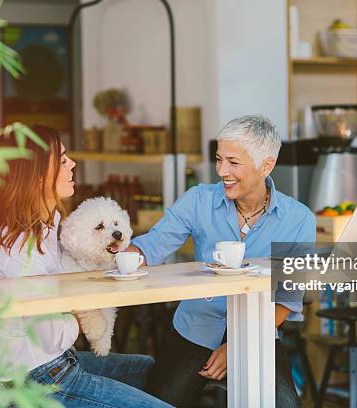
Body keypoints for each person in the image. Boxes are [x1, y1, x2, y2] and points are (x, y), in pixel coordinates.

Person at [0, 125, 171, 408]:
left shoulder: (44, 224)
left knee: (147, 368)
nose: (73, 164)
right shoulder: (22, 246)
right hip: (36, 379)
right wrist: (81, 319)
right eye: (63, 159)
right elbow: (49, 334)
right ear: (38, 175)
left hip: (55, 363)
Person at [127, 115, 316, 407]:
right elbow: (155, 243)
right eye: (219, 159)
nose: (222, 171)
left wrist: (238, 345)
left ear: (266, 165)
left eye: (233, 162)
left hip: (257, 331)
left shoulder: (298, 219)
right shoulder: (198, 200)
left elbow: (287, 299)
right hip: (195, 328)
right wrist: (128, 255)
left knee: (285, 405)